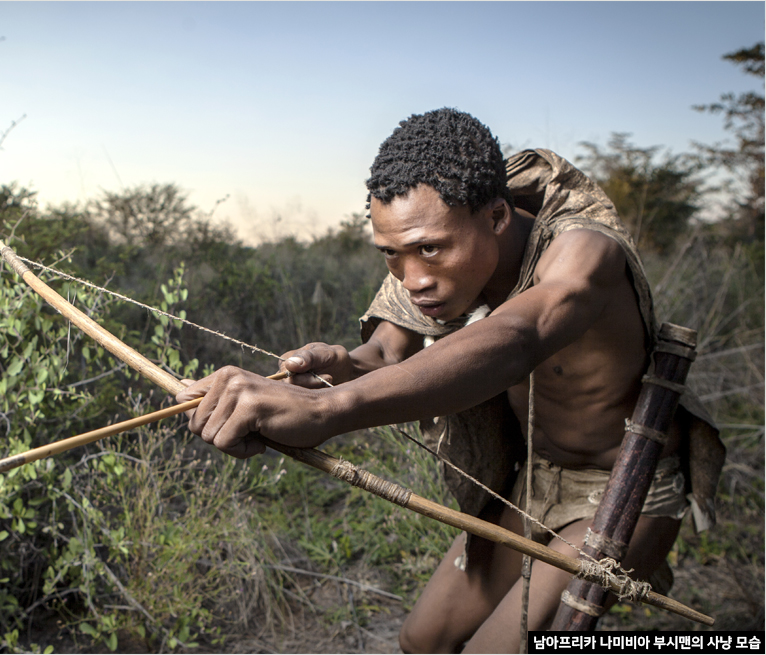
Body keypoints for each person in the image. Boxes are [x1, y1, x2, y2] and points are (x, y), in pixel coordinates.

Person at [176, 109, 723, 652]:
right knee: (423, 640)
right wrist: (327, 376)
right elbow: (384, 352)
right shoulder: (430, 257)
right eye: (391, 254)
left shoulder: (582, 251)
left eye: (430, 249)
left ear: (497, 217)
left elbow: (518, 334)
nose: (413, 279)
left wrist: (327, 412)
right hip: (534, 484)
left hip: (628, 493)